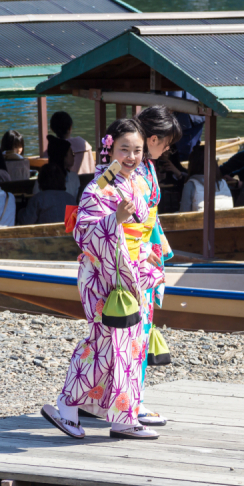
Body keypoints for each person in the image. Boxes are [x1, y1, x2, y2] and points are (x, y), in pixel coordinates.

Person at [41, 118, 164, 440]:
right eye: (125, 149)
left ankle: (119, 416)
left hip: (131, 273)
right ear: (109, 149)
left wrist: (147, 249)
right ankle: (69, 406)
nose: (132, 157)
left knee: (127, 348)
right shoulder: (98, 186)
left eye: (137, 150)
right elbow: (84, 233)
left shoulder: (137, 181)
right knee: (105, 345)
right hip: (104, 276)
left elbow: (140, 231)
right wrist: (115, 220)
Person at [131, 105, 182, 427]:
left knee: (122, 334)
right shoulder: (134, 171)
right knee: (133, 333)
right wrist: (148, 248)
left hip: (139, 252)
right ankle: (131, 403)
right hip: (135, 258)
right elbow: (133, 221)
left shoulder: (141, 167)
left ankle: (96, 399)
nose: (168, 149)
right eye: (166, 143)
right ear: (153, 138)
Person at [179, 144, 233, 212]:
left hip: (200, 222)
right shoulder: (223, 182)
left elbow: (184, 213)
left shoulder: (191, 185)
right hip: (226, 221)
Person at [49, 111, 94, 175]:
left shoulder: (54, 148)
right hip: (87, 184)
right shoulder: (84, 144)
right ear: (70, 127)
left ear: (52, 129)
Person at [36, 136, 79, 200]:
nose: (73, 155)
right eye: (71, 153)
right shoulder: (73, 177)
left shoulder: (41, 179)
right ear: (63, 156)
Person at [165, 91, 205, 160]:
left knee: (186, 154)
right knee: (194, 151)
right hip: (196, 115)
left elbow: (174, 101)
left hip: (187, 120)